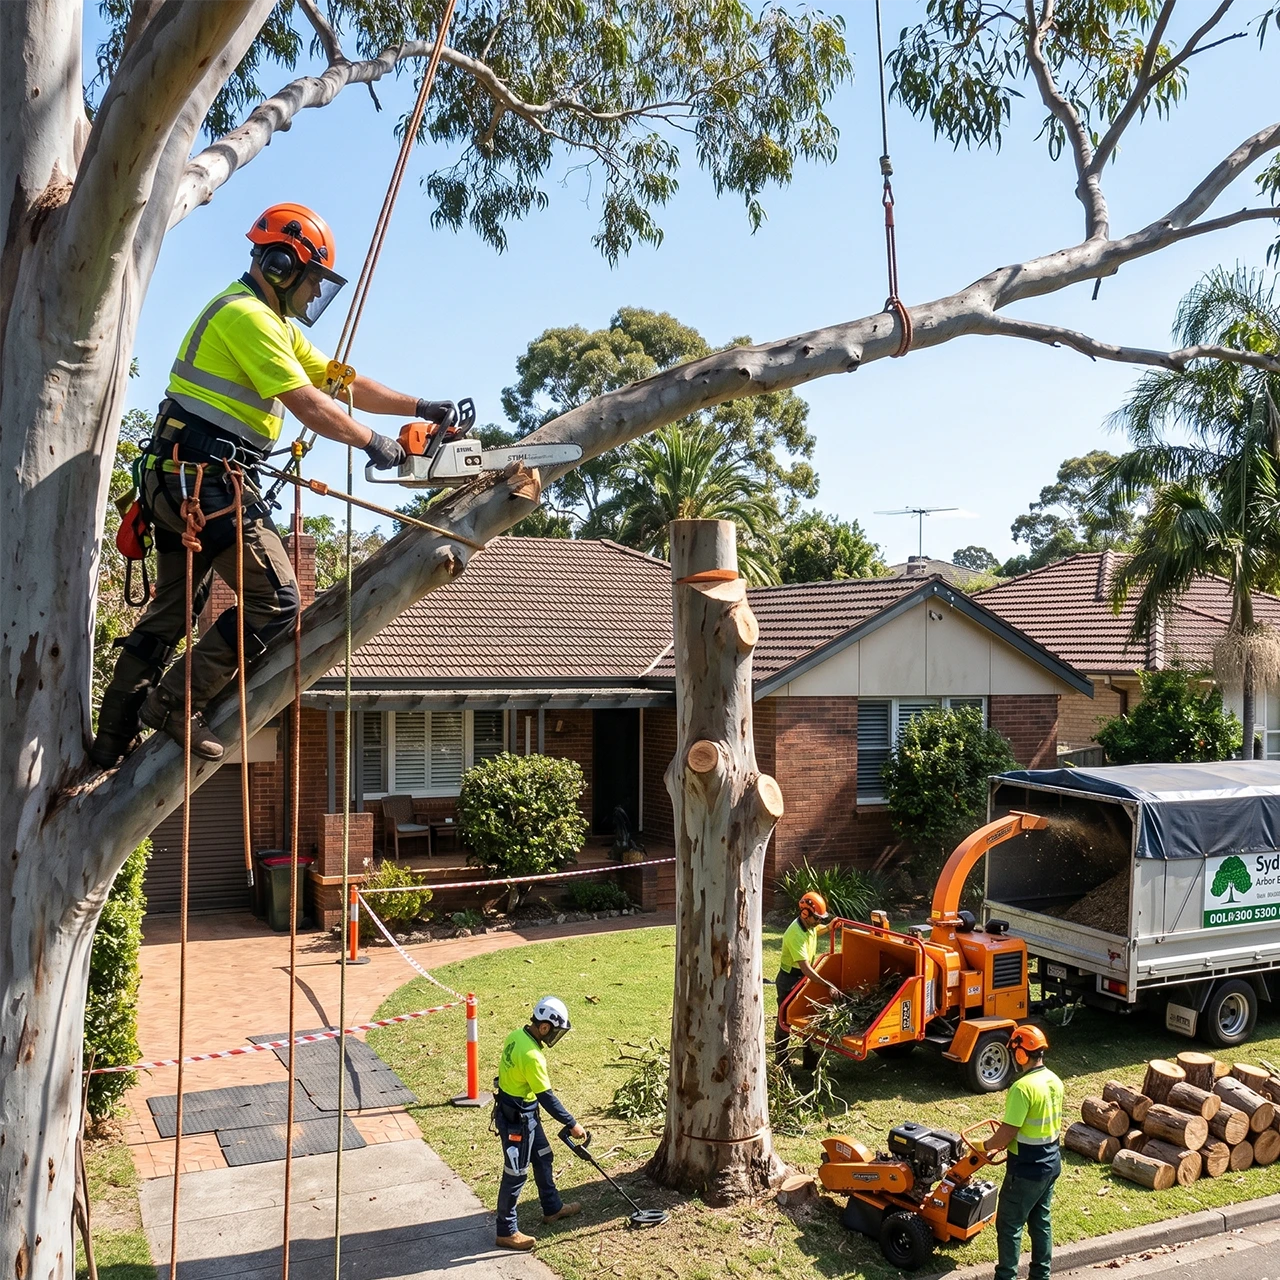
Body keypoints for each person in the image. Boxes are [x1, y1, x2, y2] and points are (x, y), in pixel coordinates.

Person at [90, 203, 460, 769]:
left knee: (171, 612)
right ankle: (175, 703)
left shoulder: (273, 323)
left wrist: (419, 405)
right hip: (207, 483)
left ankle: (111, 741)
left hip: (177, 478)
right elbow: (310, 404)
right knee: (279, 601)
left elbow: (341, 380)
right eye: (312, 280)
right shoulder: (250, 319)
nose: (315, 295)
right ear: (282, 264)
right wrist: (373, 443)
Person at [494, 996, 585, 1251]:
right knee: (515, 1174)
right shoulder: (533, 1056)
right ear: (544, 1027)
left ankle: (552, 1207)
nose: (554, 1036)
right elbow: (548, 1098)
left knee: (543, 1156)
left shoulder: (515, 1035)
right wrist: (572, 1124)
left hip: (526, 1113)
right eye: (554, 1031)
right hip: (518, 1121)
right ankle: (506, 1231)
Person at [983, 1025, 1064, 1280]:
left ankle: (1006, 1276)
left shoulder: (1022, 1087)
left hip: (1027, 1169)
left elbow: (1006, 1134)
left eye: (1015, 1051)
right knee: (1041, 1221)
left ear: (1021, 1054)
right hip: (1051, 1164)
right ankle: (1041, 1276)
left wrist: (983, 1146)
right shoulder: (1054, 1080)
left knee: (1009, 1225)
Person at [775, 891, 841, 1069]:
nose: (820, 921)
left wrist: (829, 927)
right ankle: (781, 1063)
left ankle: (808, 1055)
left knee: (807, 1016)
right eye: (818, 918)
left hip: (801, 978)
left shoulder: (808, 927)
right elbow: (806, 968)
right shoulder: (795, 934)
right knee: (785, 1020)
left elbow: (815, 931)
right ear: (805, 914)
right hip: (789, 980)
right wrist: (828, 984)